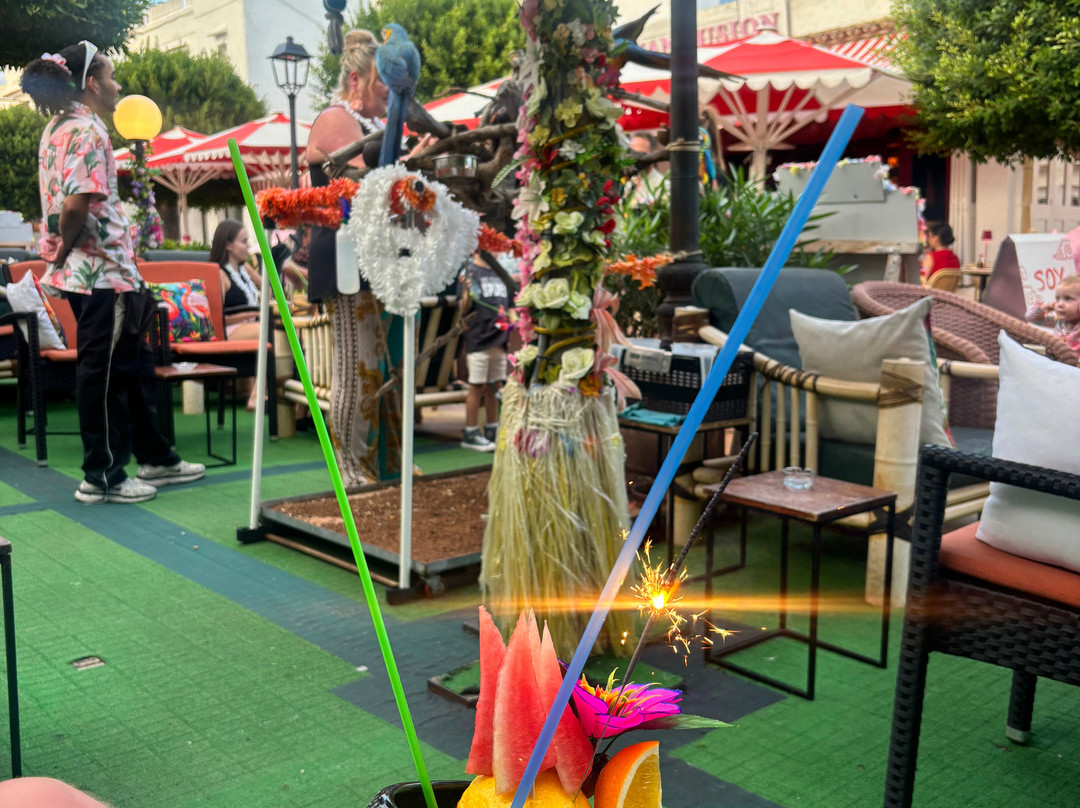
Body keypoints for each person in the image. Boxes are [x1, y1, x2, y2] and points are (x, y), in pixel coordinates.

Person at [21, 41, 205, 503]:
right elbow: (75, 205)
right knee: (103, 373)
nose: (118, 85)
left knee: (133, 366)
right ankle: (102, 476)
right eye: (111, 76)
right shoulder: (88, 131)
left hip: (106, 273)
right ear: (91, 82)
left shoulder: (56, 128)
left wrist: (60, 253)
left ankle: (156, 457)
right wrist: (65, 250)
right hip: (100, 274)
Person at [304, 29, 430, 486]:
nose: (391, 95)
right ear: (356, 79)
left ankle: (388, 464)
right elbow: (371, 185)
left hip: (381, 257)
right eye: (384, 86)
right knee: (358, 368)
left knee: (388, 366)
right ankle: (352, 469)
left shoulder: (372, 123)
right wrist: (413, 166)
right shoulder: (337, 118)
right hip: (347, 257)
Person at [459, 251, 512, 451]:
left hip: (500, 340)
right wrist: (466, 293)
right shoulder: (470, 272)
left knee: (495, 385)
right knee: (477, 386)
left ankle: (492, 428)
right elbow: (463, 308)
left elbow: (511, 305)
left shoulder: (501, 272)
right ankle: (471, 431)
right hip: (479, 339)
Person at [1025, 274, 1080, 358]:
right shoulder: (1057, 321)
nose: (1060, 304)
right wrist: (1045, 306)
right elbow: (1030, 317)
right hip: (1055, 361)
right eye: (1058, 299)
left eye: (1068, 298)